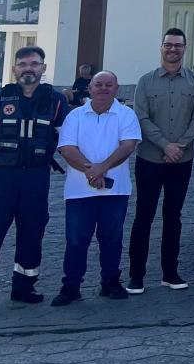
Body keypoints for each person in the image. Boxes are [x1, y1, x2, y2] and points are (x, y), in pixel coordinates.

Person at [0, 45, 69, 311]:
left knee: (33, 231)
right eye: (22, 64)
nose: (28, 69)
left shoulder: (55, 100)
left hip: (36, 176)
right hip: (0, 176)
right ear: (14, 68)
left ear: (43, 68)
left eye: (34, 64)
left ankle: (24, 287)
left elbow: (64, 137)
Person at [127, 27, 194, 294]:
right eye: (168, 45)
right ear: (161, 48)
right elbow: (141, 117)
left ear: (185, 49)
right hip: (150, 159)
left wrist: (180, 146)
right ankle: (136, 275)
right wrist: (165, 145)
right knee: (144, 216)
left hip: (181, 161)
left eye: (178, 45)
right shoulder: (145, 81)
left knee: (174, 216)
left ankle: (170, 273)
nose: (173, 49)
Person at [52, 71, 140, 306]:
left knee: (112, 238)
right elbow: (67, 149)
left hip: (116, 190)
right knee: (76, 240)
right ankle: (71, 286)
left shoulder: (126, 114)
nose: (103, 88)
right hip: (79, 191)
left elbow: (128, 145)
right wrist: (92, 171)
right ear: (89, 88)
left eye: (108, 84)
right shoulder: (75, 116)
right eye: (98, 84)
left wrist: (102, 168)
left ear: (116, 88)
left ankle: (110, 282)